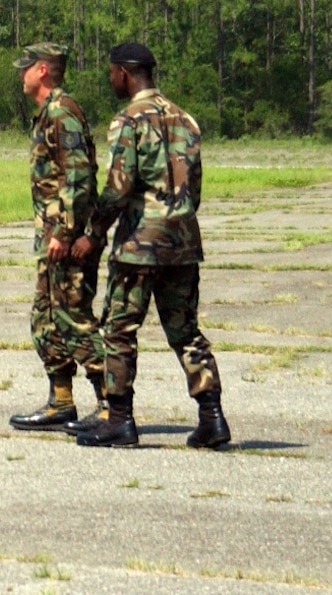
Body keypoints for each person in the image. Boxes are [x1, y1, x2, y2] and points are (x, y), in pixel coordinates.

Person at [71, 42, 231, 450]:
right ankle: (212, 417)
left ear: (125, 73)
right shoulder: (186, 118)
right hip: (182, 242)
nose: (110, 80)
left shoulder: (129, 119)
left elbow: (118, 187)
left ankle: (119, 420)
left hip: (140, 245)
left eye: (112, 73)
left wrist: (94, 232)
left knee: (120, 329)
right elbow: (193, 187)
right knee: (186, 331)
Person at [7, 42, 107, 434]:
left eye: (26, 68)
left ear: (43, 70)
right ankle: (61, 401)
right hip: (50, 237)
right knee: (46, 319)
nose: (22, 74)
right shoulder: (47, 113)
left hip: (66, 238)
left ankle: (109, 405)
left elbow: (80, 176)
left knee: (74, 319)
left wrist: (65, 231)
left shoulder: (63, 112)